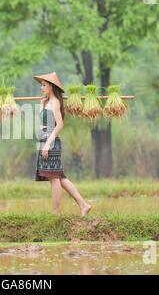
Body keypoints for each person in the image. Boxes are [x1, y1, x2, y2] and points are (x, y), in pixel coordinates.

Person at [34, 72, 92, 216]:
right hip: (45, 140)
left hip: (50, 142)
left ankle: (55, 212)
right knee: (59, 177)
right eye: (41, 85)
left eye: (44, 85)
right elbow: (43, 122)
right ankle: (83, 204)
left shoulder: (55, 103)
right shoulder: (47, 102)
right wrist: (41, 104)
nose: (41, 88)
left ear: (51, 87)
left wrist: (48, 144)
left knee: (54, 178)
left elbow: (59, 125)